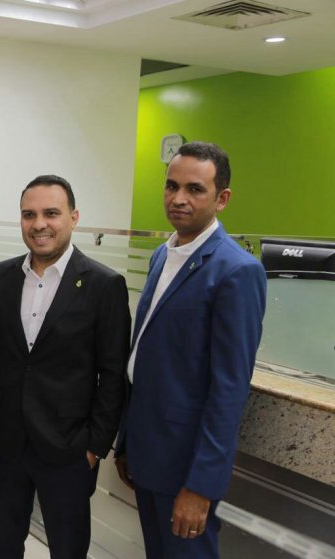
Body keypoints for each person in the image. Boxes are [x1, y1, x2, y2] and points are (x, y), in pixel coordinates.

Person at [115, 142, 266, 558]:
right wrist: (127, 442)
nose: (178, 198)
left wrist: (201, 486)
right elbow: (148, 356)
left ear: (222, 198)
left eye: (195, 189)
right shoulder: (163, 255)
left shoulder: (236, 271)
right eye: (172, 186)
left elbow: (229, 390)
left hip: (186, 466)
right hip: (147, 450)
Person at [0, 175, 131, 558]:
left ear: (74, 217)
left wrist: (94, 448)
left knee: (68, 550)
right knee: (2, 548)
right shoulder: (2, 276)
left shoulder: (104, 285)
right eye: (29, 214)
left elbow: (113, 375)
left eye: (51, 213)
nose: (39, 224)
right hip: (5, 444)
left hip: (69, 449)